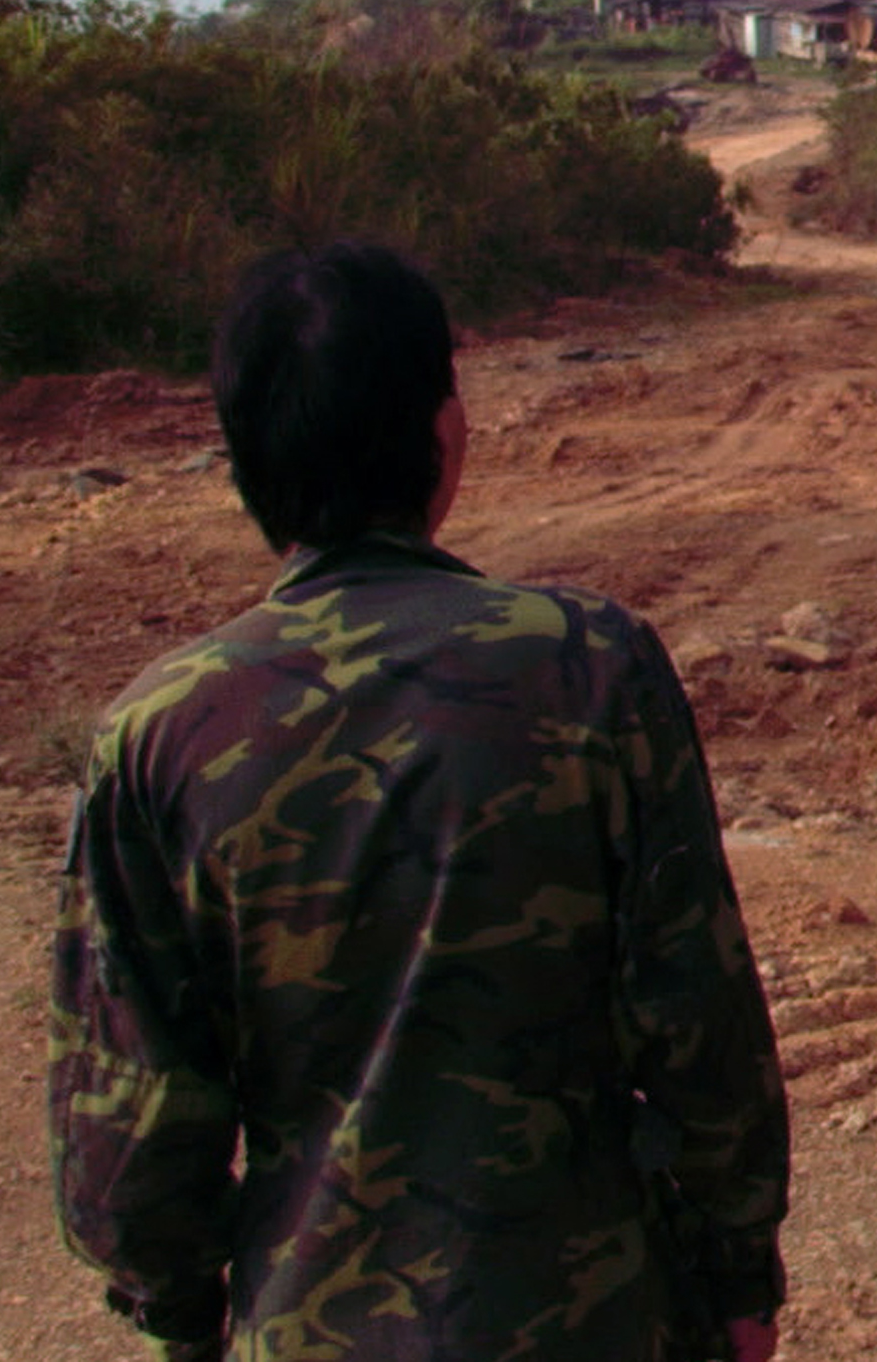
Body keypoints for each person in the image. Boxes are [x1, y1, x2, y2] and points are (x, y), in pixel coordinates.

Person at [49, 243, 791, 1361]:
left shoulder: (159, 738)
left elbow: (133, 1127)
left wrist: (187, 1316)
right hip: (597, 1319)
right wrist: (739, 1270)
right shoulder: (592, 669)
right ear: (446, 436)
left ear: (242, 458)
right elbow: (699, 1025)